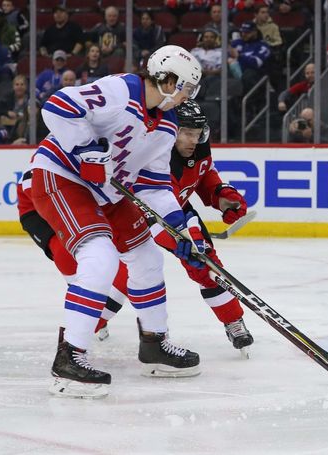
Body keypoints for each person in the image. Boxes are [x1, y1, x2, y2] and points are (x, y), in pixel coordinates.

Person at [28, 44, 203, 398]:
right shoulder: (122, 89)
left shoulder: (167, 124)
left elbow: (153, 184)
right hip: (62, 177)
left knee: (148, 258)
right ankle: (69, 357)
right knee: (101, 258)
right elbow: (58, 106)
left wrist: (179, 227)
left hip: (109, 191)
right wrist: (86, 148)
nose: (187, 96)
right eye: (186, 86)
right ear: (167, 79)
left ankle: (154, 344)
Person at [16, 100, 254, 353]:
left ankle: (233, 321)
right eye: (186, 133)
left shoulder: (196, 146)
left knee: (206, 265)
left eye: (197, 133)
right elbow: (152, 203)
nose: (193, 140)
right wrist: (184, 236)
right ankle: (78, 337)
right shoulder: (155, 152)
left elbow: (203, 175)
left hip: (173, 209)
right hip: (144, 209)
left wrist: (221, 196)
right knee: (121, 274)